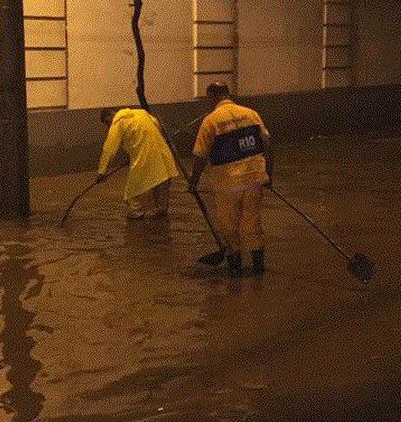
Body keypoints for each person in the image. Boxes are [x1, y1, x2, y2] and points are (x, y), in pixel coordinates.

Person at [189, 82, 272, 276]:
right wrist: (269, 175)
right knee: (253, 223)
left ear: (212, 97)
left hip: (228, 183)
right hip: (254, 179)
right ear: (228, 94)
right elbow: (268, 144)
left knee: (228, 225)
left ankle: (235, 268)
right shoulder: (251, 114)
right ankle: (258, 268)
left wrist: (194, 181)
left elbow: (199, 155)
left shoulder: (211, 121)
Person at [98, 106, 181, 219]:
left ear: (109, 117)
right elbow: (156, 124)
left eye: (107, 124)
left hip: (145, 157)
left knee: (132, 190)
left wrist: (102, 171)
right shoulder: (141, 113)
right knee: (161, 182)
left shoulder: (118, 122)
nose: (108, 127)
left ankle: (137, 211)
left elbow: (109, 149)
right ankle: (161, 208)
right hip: (162, 152)